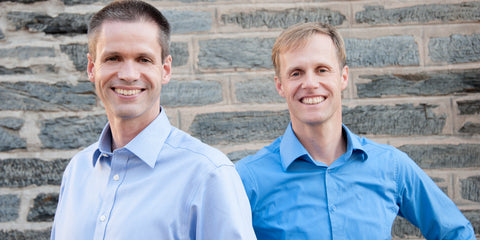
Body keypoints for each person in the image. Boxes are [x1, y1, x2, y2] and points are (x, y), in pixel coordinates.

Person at [235, 22, 475, 239]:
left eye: (322, 69)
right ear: (280, 85)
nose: (309, 84)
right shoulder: (247, 179)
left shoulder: (391, 167)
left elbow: (456, 233)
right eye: (296, 73)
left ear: (343, 77)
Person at [50, 1, 256, 239]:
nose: (128, 74)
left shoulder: (208, 175)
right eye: (113, 58)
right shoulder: (77, 170)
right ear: (91, 68)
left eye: (143, 59)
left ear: (165, 70)